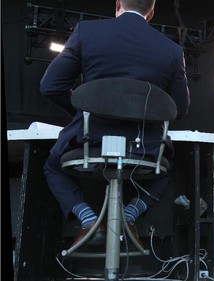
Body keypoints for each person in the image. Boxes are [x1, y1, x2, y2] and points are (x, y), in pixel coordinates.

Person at [40, 0, 190, 248]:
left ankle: (88, 220)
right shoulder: (172, 50)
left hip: (90, 141)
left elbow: (50, 86)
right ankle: (128, 216)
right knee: (167, 168)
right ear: (151, 13)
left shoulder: (87, 32)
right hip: (145, 146)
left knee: (53, 167)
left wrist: (84, 112)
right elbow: (180, 109)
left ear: (118, 3)